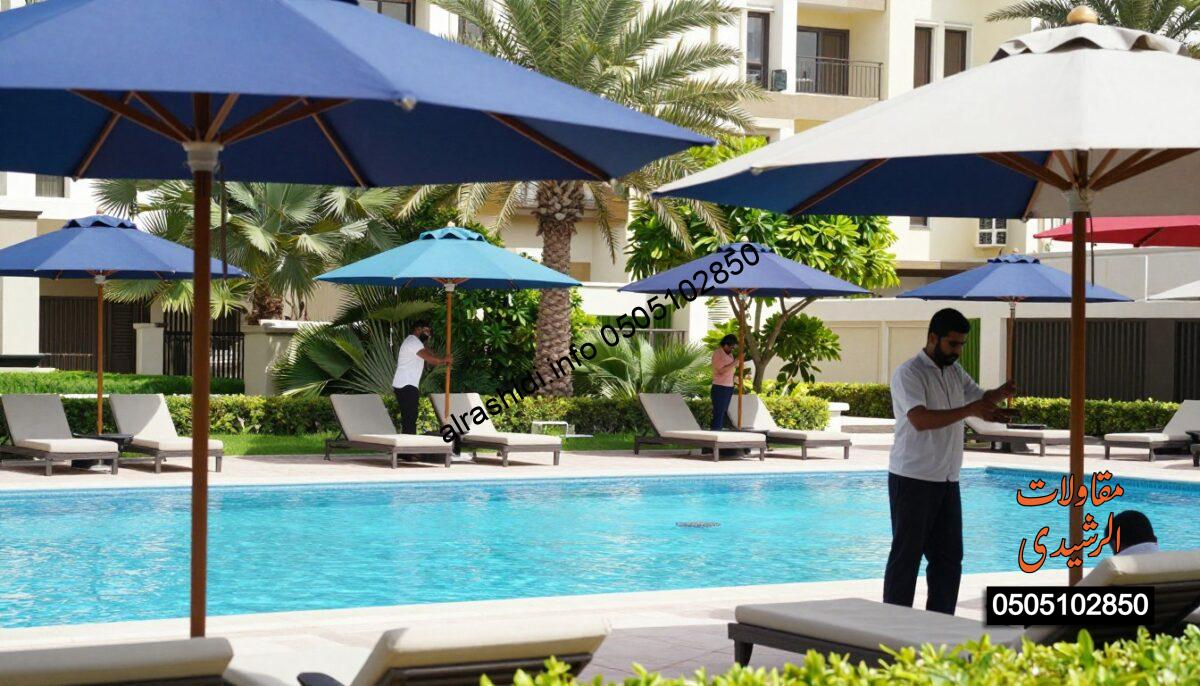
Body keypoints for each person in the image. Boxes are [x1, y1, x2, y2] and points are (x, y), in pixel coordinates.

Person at [883, 308, 1015, 615]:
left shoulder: (954, 372)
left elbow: (980, 399)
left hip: (946, 480)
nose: (957, 351)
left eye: (961, 345)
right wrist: (971, 410)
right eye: (952, 344)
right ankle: (890, 628)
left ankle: (939, 625)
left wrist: (1000, 394)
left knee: (949, 559)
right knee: (907, 558)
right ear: (933, 338)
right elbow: (920, 419)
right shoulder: (909, 373)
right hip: (912, 478)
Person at [392, 319, 451, 457]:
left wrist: (442, 358)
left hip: (405, 384)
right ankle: (407, 452)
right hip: (406, 385)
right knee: (410, 418)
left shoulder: (416, 342)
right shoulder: (413, 342)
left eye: (429, 332)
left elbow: (431, 354)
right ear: (417, 330)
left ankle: (405, 452)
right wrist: (444, 360)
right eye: (426, 331)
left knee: (409, 418)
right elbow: (433, 360)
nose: (428, 334)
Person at [711, 334, 739, 431]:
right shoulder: (718, 354)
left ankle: (719, 433)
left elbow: (730, 370)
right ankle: (714, 435)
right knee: (719, 412)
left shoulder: (730, 354)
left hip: (728, 387)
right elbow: (721, 371)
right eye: (731, 347)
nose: (732, 349)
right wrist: (735, 363)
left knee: (723, 412)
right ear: (726, 344)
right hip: (720, 387)